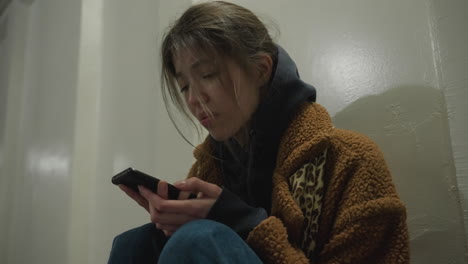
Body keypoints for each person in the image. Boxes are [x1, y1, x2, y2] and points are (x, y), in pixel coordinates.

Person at [108, 1, 410, 263]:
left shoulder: (349, 160)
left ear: (261, 70)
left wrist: (241, 222)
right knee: (134, 244)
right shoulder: (208, 171)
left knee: (198, 239)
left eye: (208, 75)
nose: (193, 100)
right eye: (184, 85)